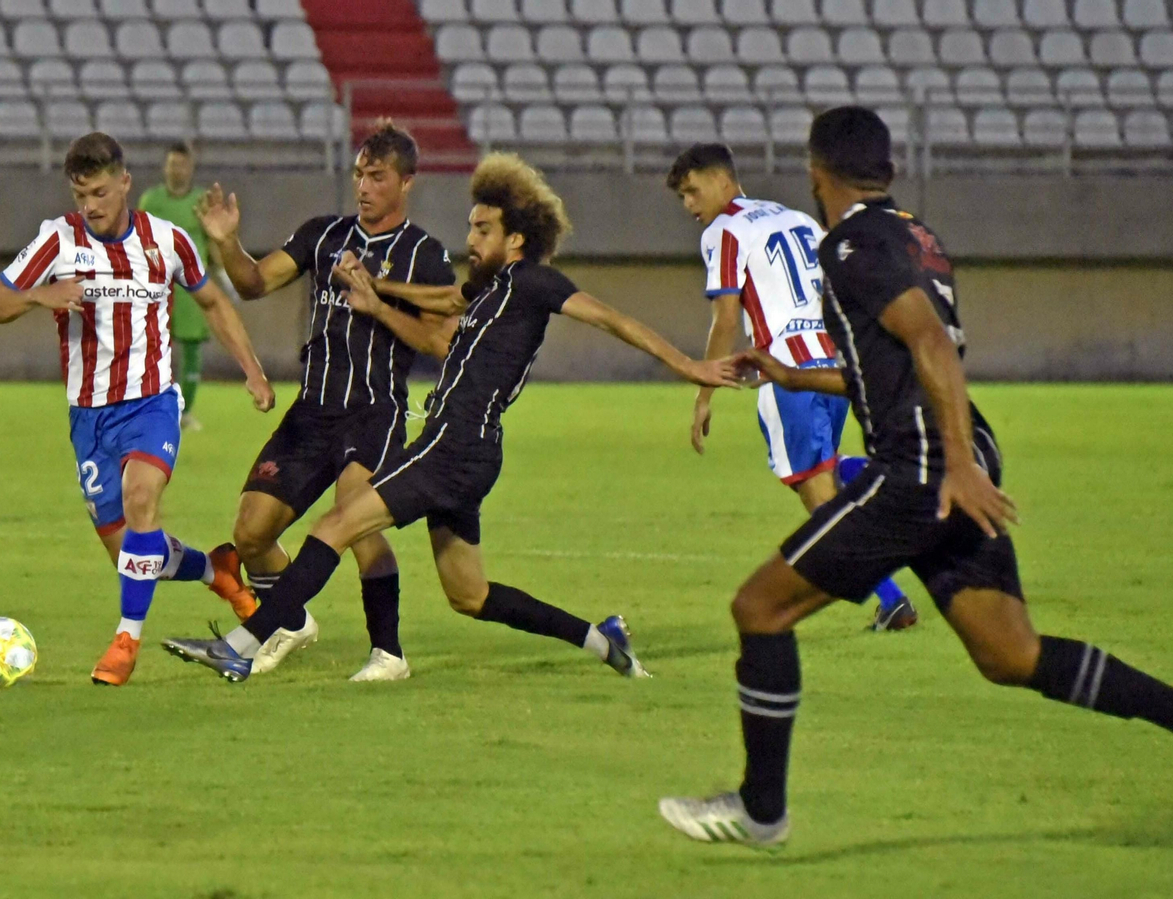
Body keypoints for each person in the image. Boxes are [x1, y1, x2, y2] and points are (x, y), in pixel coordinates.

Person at [658, 107, 1173, 849]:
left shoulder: (850, 245)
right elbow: (890, 366)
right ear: (888, 170)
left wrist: (955, 465)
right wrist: (787, 372)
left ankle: (760, 809)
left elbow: (930, 341)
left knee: (759, 606)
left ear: (816, 172)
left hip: (927, 465)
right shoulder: (914, 234)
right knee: (1010, 653)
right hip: (958, 449)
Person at [161, 152, 740, 683]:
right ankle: (601, 640)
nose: (470, 237)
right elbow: (441, 302)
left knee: (333, 527)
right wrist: (373, 290)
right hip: (468, 449)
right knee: (470, 594)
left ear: (516, 237)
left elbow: (613, 319)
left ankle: (240, 643)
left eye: (482, 229)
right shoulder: (489, 286)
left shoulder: (535, 280)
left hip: (452, 445)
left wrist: (689, 365)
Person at [0, 132, 276, 687]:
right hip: (89, 419)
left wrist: (252, 370)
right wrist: (42, 295)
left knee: (142, 501)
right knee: (134, 554)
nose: (90, 205)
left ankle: (125, 641)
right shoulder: (57, 241)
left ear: (125, 183)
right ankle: (218, 570)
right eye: (80, 194)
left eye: (100, 192)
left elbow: (212, 302)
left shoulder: (168, 242)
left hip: (151, 403)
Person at [192, 121, 459, 682]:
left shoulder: (424, 255)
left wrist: (380, 307)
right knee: (250, 532)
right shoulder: (324, 234)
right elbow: (254, 283)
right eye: (360, 173)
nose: (363, 185)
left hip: (374, 409)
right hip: (311, 409)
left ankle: (388, 653)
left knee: (354, 519)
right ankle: (291, 622)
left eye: (377, 176)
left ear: (406, 182)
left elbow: (440, 341)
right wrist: (226, 242)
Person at [667, 142, 917, 632]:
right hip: (835, 367)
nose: (690, 206)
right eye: (682, 198)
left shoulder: (724, 230)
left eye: (693, 191)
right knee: (828, 469)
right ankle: (886, 482)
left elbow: (725, 319)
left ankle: (891, 599)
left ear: (723, 181)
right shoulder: (798, 218)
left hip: (788, 372)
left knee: (819, 499)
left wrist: (704, 392)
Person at [136, 141, 229, 432]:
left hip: (191, 285)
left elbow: (212, 240)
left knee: (191, 348)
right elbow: (141, 240)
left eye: (183, 164)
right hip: (156, 285)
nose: (178, 169)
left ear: (191, 167)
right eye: (173, 163)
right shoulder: (151, 201)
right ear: (165, 166)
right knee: (151, 346)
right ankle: (148, 406)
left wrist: (224, 274)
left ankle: (185, 411)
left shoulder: (202, 200)